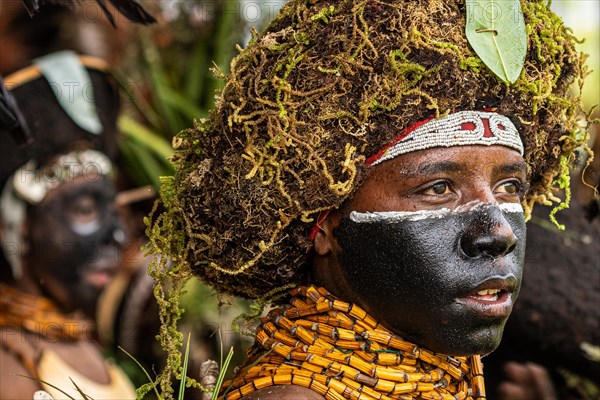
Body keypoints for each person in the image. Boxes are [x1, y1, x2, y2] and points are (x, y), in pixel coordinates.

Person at [147, 0, 592, 399]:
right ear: (324, 223)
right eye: (438, 189)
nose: (497, 233)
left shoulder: (450, 376)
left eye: (509, 187)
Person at [0, 52, 136, 399]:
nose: (118, 235)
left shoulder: (94, 351)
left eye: (115, 212)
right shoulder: (9, 367)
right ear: (13, 226)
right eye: (85, 208)